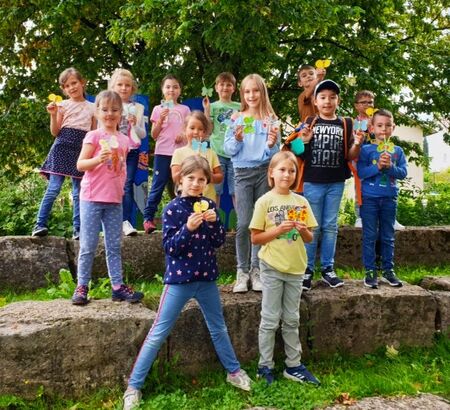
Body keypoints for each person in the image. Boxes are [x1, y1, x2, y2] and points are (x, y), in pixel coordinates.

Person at [122, 156, 252, 410]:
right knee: (158, 332)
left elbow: (218, 242)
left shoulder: (209, 205)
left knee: (218, 328)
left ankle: (234, 371)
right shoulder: (172, 209)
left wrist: (215, 224)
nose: (196, 183)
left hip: (206, 280)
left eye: (201, 179)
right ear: (180, 180)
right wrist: (187, 229)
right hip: (179, 281)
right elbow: (170, 247)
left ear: (206, 183)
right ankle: (133, 386)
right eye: (191, 178)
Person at [250, 151, 320, 386]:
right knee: (270, 319)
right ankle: (265, 366)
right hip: (271, 267)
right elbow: (255, 238)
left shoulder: (302, 202)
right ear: (271, 173)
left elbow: (310, 238)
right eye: (282, 170)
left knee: (292, 318)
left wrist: (302, 230)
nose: (287, 175)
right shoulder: (264, 201)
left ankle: (294, 365)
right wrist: (278, 230)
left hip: (296, 268)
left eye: (292, 171)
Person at [71, 90, 144, 305]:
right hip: (92, 198)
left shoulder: (123, 140)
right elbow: (80, 164)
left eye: (114, 110)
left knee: (114, 246)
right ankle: (82, 286)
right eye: (104, 110)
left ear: (121, 113)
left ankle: (117, 287)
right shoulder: (93, 136)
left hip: (114, 200)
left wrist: (120, 190)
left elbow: (121, 169)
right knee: (88, 246)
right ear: (97, 112)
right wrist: (98, 159)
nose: (109, 114)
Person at [298, 80, 363, 291]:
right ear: (315, 102)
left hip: (336, 182)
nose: (328, 101)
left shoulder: (346, 123)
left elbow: (350, 155)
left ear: (338, 101)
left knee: (330, 226)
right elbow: (299, 153)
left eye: (332, 97)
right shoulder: (310, 121)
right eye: (323, 97)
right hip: (312, 182)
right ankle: (307, 269)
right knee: (312, 226)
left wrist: (357, 143)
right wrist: (304, 140)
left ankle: (328, 269)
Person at [224, 73, 280, 293]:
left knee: (260, 223)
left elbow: (274, 153)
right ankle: (242, 271)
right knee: (244, 222)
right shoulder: (237, 118)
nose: (251, 95)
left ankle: (257, 270)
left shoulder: (271, 119)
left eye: (255, 90)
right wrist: (238, 139)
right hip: (242, 173)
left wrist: (271, 144)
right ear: (242, 94)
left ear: (262, 92)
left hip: (264, 172)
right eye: (247, 91)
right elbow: (228, 149)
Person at [32, 67, 96, 239]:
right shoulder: (62, 105)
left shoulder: (93, 107)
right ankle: (39, 224)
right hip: (61, 147)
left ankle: (78, 229)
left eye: (74, 83)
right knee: (53, 188)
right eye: (67, 86)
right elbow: (55, 132)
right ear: (64, 90)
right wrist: (53, 115)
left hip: (81, 149)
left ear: (82, 82)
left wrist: (92, 154)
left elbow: (93, 133)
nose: (71, 87)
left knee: (78, 192)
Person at [357, 109, 407, 289]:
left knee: (388, 236)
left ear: (393, 128)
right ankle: (370, 272)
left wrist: (390, 167)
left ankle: (388, 270)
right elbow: (361, 172)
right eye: (379, 125)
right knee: (369, 236)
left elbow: (403, 173)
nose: (383, 129)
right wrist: (377, 167)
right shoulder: (365, 150)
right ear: (371, 128)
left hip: (389, 199)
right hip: (369, 199)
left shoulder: (398, 151)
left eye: (387, 125)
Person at [143, 74, 190, 234]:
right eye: (168, 87)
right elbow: (154, 134)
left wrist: (183, 135)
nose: (171, 90)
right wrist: (160, 120)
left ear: (180, 90)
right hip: (162, 153)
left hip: (181, 154)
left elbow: (189, 131)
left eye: (175, 87)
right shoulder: (158, 109)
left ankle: (183, 218)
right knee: (158, 185)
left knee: (181, 186)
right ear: (163, 90)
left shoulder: (185, 109)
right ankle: (148, 219)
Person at [108, 68, 147, 236]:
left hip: (131, 151)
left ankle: (125, 221)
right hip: (112, 151)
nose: (124, 88)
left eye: (127, 85)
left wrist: (135, 124)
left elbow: (142, 134)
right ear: (113, 86)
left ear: (132, 88)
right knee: (110, 184)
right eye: (120, 85)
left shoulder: (138, 107)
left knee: (126, 185)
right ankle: (110, 222)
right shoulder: (108, 105)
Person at [203, 72, 240, 208]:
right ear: (216, 88)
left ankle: (241, 219)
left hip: (236, 154)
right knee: (215, 190)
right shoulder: (212, 106)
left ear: (233, 88)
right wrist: (207, 110)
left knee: (236, 191)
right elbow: (208, 130)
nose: (225, 87)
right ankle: (213, 218)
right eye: (222, 84)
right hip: (217, 153)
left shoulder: (240, 106)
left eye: (229, 85)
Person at [171, 111, 223, 200]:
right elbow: (175, 178)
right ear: (185, 129)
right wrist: (190, 167)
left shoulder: (211, 153)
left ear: (205, 132)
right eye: (192, 128)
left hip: (207, 200)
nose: (196, 132)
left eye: (200, 129)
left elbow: (219, 177)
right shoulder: (179, 153)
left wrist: (208, 174)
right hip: (186, 200)